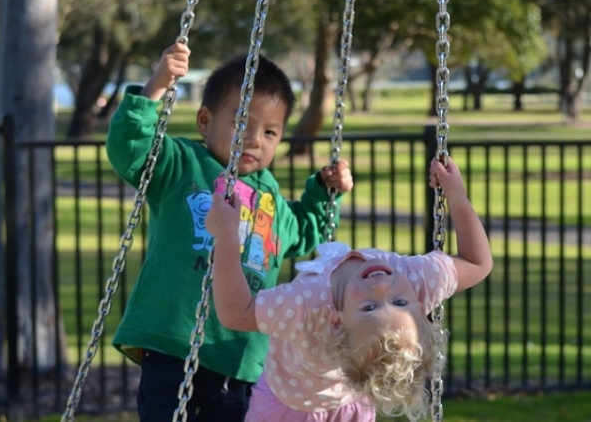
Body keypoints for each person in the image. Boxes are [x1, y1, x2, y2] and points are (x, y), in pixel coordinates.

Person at [106, 42, 354, 422]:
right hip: (173, 341)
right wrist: (157, 86)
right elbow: (131, 147)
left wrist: (325, 188)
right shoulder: (181, 165)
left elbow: (306, 233)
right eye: (242, 123)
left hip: (240, 355)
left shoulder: (269, 200)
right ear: (205, 120)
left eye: (271, 132)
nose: (255, 139)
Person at [206, 155, 493, 422]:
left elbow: (236, 313)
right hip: (324, 403)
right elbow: (477, 263)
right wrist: (457, 195)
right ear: (421, 304)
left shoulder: (306, 304)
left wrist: (227, 235)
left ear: (336, 319)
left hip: (293, 409)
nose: (382, 288)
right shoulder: (415, 280)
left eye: (369, 308)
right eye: (400, 303)